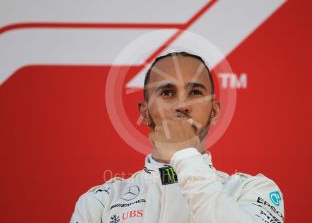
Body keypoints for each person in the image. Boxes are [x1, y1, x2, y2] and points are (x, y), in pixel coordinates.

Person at [71, 52, 285, 223]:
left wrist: (184, 155)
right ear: (144, 113)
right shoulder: (101, 201)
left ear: (214, 111)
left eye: (195, 93)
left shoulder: (253, 190)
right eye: (167, 93)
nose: (182, 105)